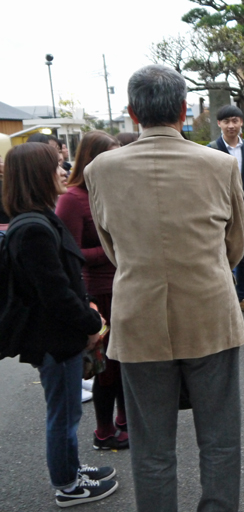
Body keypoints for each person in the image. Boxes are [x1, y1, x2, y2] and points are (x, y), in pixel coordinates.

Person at [84, 65, 244, 511]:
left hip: (139, 316)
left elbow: (111, 247)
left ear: (133, 112)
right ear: (182, 109)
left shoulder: (100, 169)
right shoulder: (218, 163)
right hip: (211, 311)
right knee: (219, 438)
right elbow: (236, 244)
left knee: (152, 446)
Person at [2, 142, 118, 507]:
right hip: (53, 337)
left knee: (67, 409)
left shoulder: (36, 218)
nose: (63, 171)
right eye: (56, 166)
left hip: (57, 334)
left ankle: (70, 468)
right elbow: (55, 293)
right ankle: (67, 484)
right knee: (64, 413)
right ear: (38, 175)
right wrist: (90, 321)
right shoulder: (33, 228)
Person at [55, 131, 131, 452]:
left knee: (128, 362)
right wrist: (114, 251)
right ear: (91, 159)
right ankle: (103, 431)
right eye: (109, 156)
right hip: (100, 293)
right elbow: (69, 253)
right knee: (107, 369)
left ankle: (126, 422)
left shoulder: (115, 190)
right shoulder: (72, 198)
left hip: (127, 285)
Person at [208, 104, 244, 315]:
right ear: (219, 124)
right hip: (222, 212)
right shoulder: (212, 149)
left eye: (235, 121)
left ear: (242, 122)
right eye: (226, 121)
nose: (231, 125)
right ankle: (226, 298)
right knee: (221, 256)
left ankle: (242, 297)